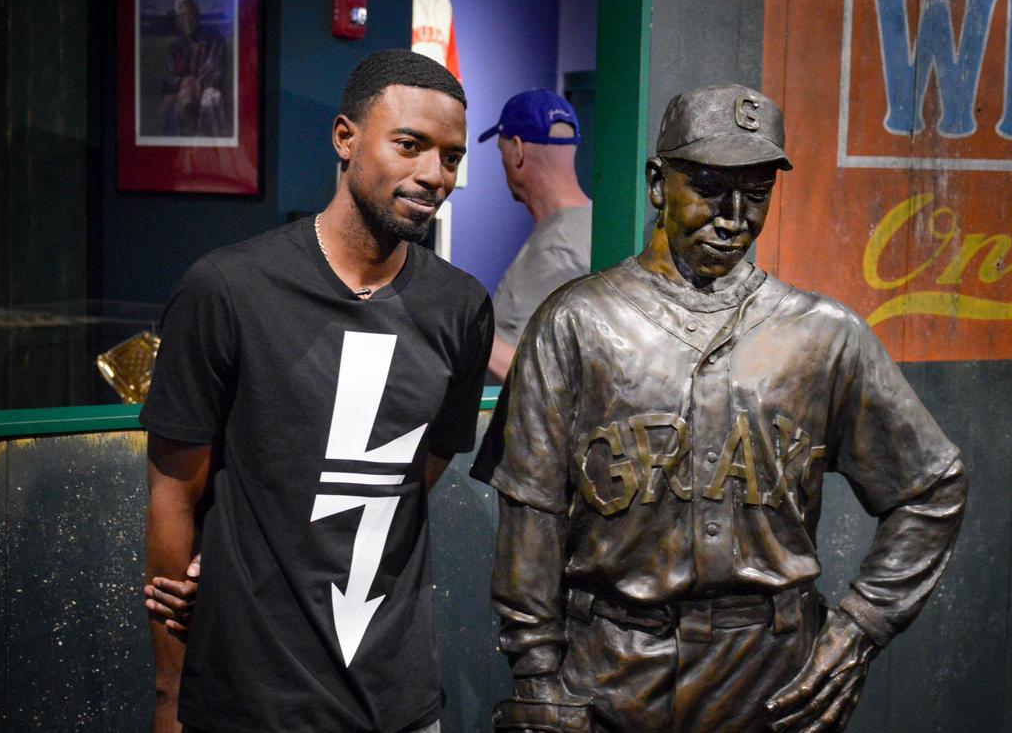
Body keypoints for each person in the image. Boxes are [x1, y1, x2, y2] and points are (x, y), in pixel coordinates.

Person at [470, 84, 968, 732]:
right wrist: (536, 675)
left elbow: (931, 488)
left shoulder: (821, 334)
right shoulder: (577, 323)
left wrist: (857, 631)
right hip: (611, 673)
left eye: (756, 191)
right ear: (658, 183)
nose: (733, 214)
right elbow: (530, 515)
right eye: (708, 186)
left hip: (775, 682)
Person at [142, 49, 492, 733]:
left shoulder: (461, 307)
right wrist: (169, 696)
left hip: (398, 699)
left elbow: (420, 468)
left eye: (450, 158)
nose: (433, 175)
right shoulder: (228, 288)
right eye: (410, 145)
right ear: (345, 138)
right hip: (250, 698)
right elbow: (172, 494)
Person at [478, 89, 592, 380]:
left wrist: (461, 323)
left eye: (501, 152)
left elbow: (540, 377)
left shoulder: (555, 251)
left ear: (517, 150)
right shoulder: (593, 225)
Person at [159, 0, 228, 138]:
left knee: (209, 102)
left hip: (205, 92)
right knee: (174, 108)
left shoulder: (213, 40)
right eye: (183, 15)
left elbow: (217, 72)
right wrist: (183, 83)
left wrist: (197, 84)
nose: (187, 19)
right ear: (177, 20)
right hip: (181, 95)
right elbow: (167, 81)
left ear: (197, 15)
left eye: (190, 14)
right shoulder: (175, 46)